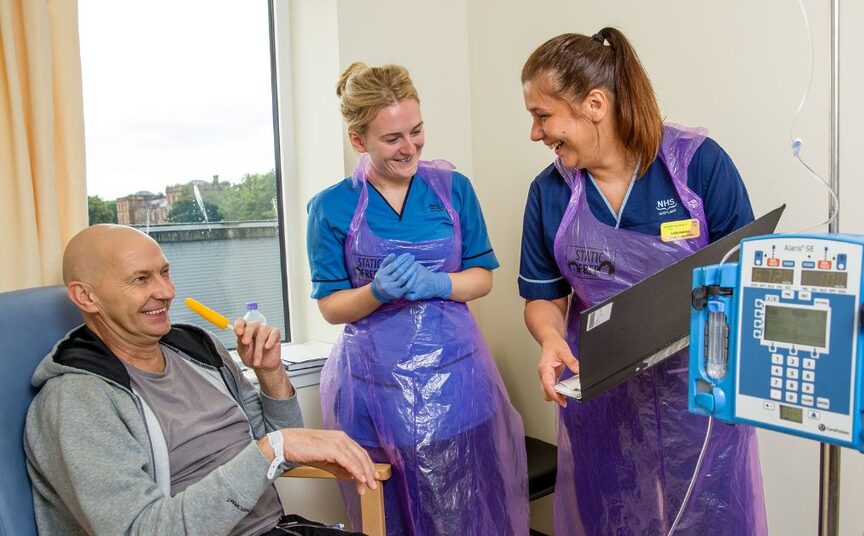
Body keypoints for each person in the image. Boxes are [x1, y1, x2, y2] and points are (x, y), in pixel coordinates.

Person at [519, 28, 768, 535]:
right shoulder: (548, 193)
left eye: (542, 116)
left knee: (710, 513)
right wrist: (548, 340)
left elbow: (750, 274)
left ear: (594, 104)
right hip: (602, 395)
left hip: (698, 391)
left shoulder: (696, 165)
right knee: (612, 514)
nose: (535, 133)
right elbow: (544, 298)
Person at [24, 224, 378, 536]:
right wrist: (275, 446)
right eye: (141, 279)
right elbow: (141, 530)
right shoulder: (77, 401)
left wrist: (269, 373)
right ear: (86, 296)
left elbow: (278, 454)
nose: (166, 291)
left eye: (165, 272)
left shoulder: (197, 347)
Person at [306, 62, 528, 535]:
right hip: (371, 389)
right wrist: (375, 292)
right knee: (390, 518)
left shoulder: (453, 190)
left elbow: (482, 277)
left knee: (467, 511)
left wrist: (438, 284)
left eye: (417, 131)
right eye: (392, 139)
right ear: (358, 140)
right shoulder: (330, 208)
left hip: (456, 384)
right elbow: (330, 307)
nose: (410, 147)